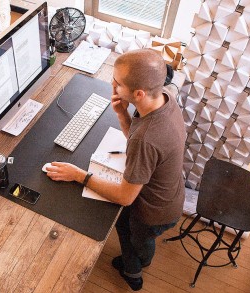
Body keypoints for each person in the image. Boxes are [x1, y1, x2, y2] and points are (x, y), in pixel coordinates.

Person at [46, 49, 185, 291]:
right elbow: (140, 140)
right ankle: (144, 256)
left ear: (139, 94)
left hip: (153, 213)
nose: (112, 85)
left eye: (117, 83)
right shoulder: (164, 98)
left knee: (129, 232)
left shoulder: (147, 138)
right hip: (171, 194)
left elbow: (125, 196)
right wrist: (122, 114)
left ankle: (133, 272)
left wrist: (78, 175)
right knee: (138, 236)